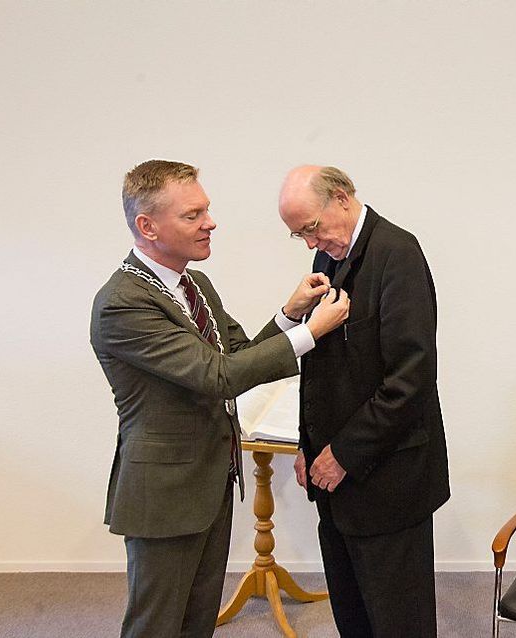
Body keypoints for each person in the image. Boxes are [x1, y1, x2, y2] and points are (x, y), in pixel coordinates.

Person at [90, 159, 349, 638]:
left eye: (206, 210)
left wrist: (290, 315)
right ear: (147, 226)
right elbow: (218, 376)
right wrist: (311, 334)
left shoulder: (194, 284)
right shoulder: (123, 303)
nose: (210, 222)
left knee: (196, 621)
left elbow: (242, 356)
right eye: (192, 215)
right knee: (155, 625)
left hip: (209, 483)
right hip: (164, 495)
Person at [278, 165, 450, 637]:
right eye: (299, 235)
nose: (310, 244)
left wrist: (343, 453)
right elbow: (321, 366)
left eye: (311, 227)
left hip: (388, 479)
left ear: (341, 197)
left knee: (399, 623)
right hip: (335, 480)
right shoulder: (327, 260)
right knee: (353, 618)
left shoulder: (398, 253)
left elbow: (410, 379)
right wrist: (306, 443)